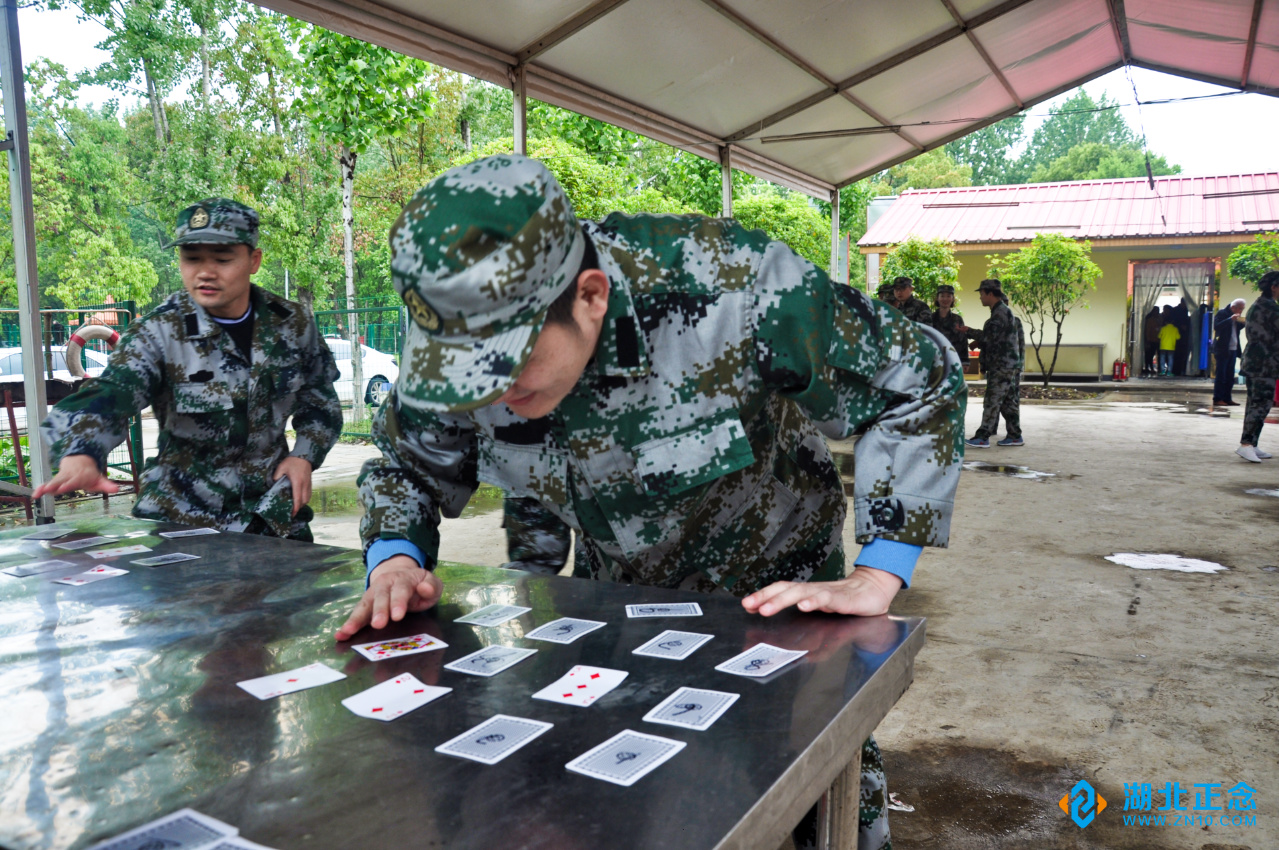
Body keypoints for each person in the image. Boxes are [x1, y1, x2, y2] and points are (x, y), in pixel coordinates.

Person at [336, 156, 966, 850]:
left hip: (782, 594)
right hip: (619, 599)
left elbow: (919, 379)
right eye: (463, 372)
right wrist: (394, 558)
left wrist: (880, 570)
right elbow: (405, 465)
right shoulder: (464, 343)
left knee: (824, 783)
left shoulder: (734, 287)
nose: (485, 392)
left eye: (507, 364)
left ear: (590, 295)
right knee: (623, 790)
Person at [36, 199, 343, 539]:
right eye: (191, 258)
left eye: (223, 259)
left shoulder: (292, 324)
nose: (205, 272)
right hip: (181, 520)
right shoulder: (160, 332)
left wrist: (304, 456)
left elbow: (320, 401)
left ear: (253, 260)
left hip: (272, 517)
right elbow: (111, 394)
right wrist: (81, 450)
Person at [961, 279, 1022, 448]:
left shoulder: (999, 313)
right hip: (1006, 364)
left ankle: (983, 436)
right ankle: (1015, 435)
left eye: (981, 294)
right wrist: (978, 342)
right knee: (1007, 402)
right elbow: (997, 338)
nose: (980, 298)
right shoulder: (1001, 311)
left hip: (1001, 365)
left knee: (992, 400)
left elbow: (990, 337)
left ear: (989, 294)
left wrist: (969, 332)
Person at [1237, 271, 1279, 462]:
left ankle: (1252, 443)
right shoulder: (1270, 307)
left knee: (1257, 403)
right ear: (1274, 287)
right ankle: (1246, 444)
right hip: (1264, 363)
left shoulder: (1259, 305)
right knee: (1260, 404)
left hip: (1259, 361)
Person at [1213, 298, 1246, 407]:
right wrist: (1230, 319)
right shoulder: (1223, 313)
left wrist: (1243, 322)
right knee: (1221, 375)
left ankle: (1227, 398)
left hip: (1233, 349)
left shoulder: (1236, 316)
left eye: (1242, 309)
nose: (1241, 311)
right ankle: (1218, 398)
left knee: (1230, 376)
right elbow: (1217, 326)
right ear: (1233, 307)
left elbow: (1237, 329)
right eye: (1240, 309)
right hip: (1223, 349)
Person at [930, 284, 968, 368]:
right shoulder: (930, 318)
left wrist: (965, 361)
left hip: (953, 359)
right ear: (937, 298)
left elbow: (963, 341)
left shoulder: (957, 319)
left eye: (948, 296)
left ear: (953, 298)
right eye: (942, 296)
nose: (945, 299)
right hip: (934, 360)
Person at [1157, 311, 1180, 377]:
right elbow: (1178, 337)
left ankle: (1162, 371)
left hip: (1163, 346)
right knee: (1170, 359)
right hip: (1171, 347)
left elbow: (1159, 336)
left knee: (1162, 358)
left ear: (1166, 322)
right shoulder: (1175, 329)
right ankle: (1169, 372)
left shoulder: (1163, 328)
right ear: (1172, 322)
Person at [1142, 307, 1161, 376]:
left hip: (1159, 340)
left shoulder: (1160, 319)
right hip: (1151, 340)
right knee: (1150, 355)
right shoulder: (1150, 320)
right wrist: (1148, 340)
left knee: (1159, 354)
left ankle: (1159, 368)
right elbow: (1148, 330)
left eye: (1158, 311)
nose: (1157, 312)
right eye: (1156, 311)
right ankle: (1149, 367)